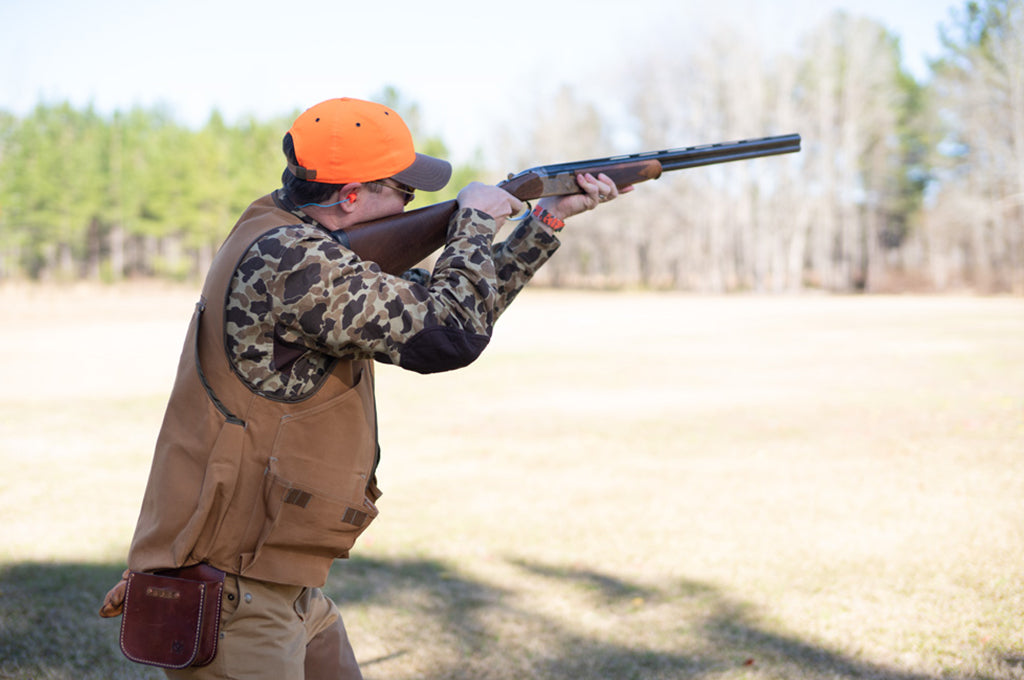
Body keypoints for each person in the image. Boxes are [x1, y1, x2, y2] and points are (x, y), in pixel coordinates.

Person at [100, 97, 626, 679]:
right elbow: (449, 335)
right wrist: (475, 220)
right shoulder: (291, 260)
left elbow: (445, 306)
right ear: (351, 197)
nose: (413, 204)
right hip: (232, 592)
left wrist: (542, 220)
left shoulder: (290, 232)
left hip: (281, 583)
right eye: (402, 191)